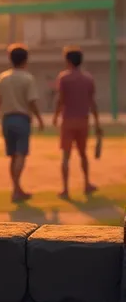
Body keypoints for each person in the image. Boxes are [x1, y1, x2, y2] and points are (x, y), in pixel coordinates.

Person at [0, 44, 44, 203]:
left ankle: (17, 189)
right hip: (21, 119)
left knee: (13, 156)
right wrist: (39, 119)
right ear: (25, 59)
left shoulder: (3, 77)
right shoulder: (27, 78)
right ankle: (16, 190)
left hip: (6, 120)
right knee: (21, 154)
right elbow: (32, 101)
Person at [53, 47, 103, 200]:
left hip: (68, 120)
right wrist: (97, 122)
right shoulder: (88, 78)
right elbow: (92, 102)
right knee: (83, 154)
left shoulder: (63, 78)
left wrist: (56, 116)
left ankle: (65, 189)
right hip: (83, 121)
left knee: (66, 156)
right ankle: (87, 184)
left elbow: (61, 100)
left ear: (68, 61)